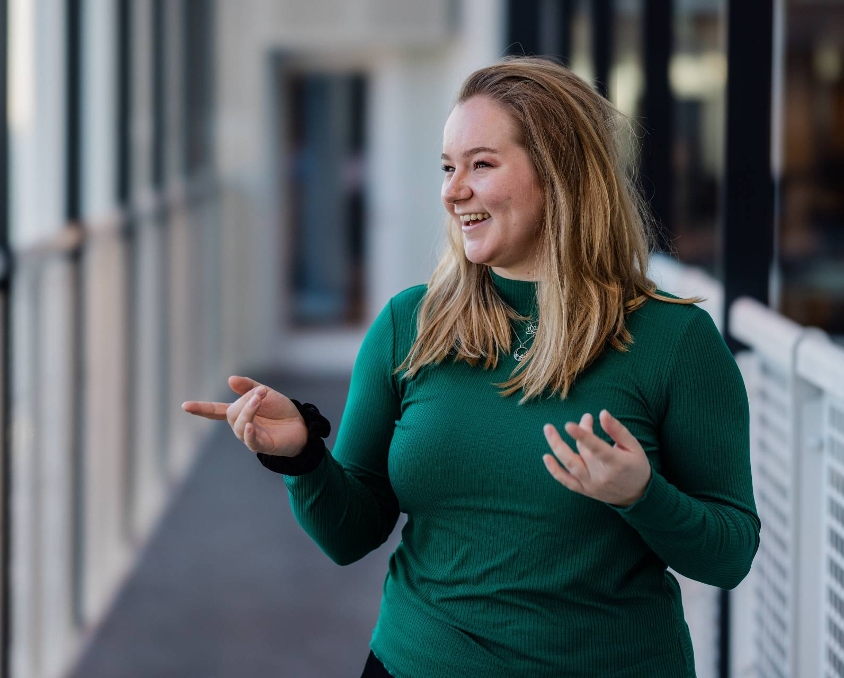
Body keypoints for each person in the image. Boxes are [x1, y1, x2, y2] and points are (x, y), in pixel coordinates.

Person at [181, 56, 759, 678]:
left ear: (560, 173)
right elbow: (350, 535)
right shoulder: (411, 324)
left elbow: (728, 554)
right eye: (448, 168)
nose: (454, 191)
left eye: (481, 165)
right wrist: (301, 457)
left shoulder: (674, 340)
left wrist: (642, 496)